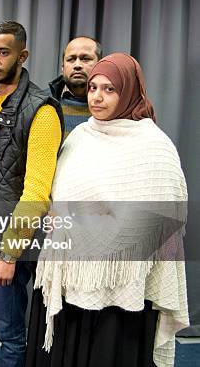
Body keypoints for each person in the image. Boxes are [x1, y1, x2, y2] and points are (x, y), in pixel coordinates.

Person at [27, 53, 189, 367]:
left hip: (120, 295)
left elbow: (158, 222)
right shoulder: (80, 138)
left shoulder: (153, 146)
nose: (97, 97)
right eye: (92, 88)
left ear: (129, 91)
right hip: (70, 279)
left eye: (109, 89)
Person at [0, 21, 63, 367]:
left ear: (22, 55)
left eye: (2, 53)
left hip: (11, 239)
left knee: (9, 331)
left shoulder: (42, 110)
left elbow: (37, 191)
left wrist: (9, 254)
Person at [48, 36, 102, 138]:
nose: (77, 65)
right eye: (71, 59)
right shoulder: (44, 101)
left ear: (100, 65)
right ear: (62, 67)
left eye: (85, 59)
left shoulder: (114, 107)